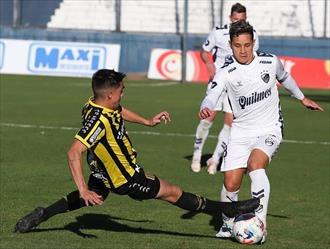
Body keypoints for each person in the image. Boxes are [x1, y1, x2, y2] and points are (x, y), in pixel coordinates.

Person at [15, 69, 260, 234]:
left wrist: (147, 121)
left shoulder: (94, 104)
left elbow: (118, 111)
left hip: (101, 171)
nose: (123, 93)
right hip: (126, 177)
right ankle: (228, 209)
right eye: (121, 90)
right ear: (110, 94)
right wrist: (81, 187)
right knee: (173, 192)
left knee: (92, 195)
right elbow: (73, 152)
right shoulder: (99, 121)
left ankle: (42, 214)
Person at [198, 20, 323, 243]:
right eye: (237, 45)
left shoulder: (269, 61)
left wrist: (302, 98)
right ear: (231, 44)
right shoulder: (226, 71)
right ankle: (227, 224)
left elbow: (285, 77)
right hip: (240, 132)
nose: (243, 50)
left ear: (253, 42)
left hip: (269, 128)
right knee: (231, 183)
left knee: (256, 166)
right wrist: (205, 107)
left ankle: (260, 225)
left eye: (247, 44)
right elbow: (212, 94)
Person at [191, 2, 259, 174]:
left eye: (241, 20)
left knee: (231, 123)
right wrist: (209, 64)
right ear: (230, 18)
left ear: (246, 19)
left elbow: (253, 60)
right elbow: (205, 51)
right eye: (235, 19)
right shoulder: (219, 32)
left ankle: (215, 159)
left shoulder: (251, 35)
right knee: (208, 118)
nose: (237, 23)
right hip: (218, 83)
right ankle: (197, 155)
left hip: (236, 86)